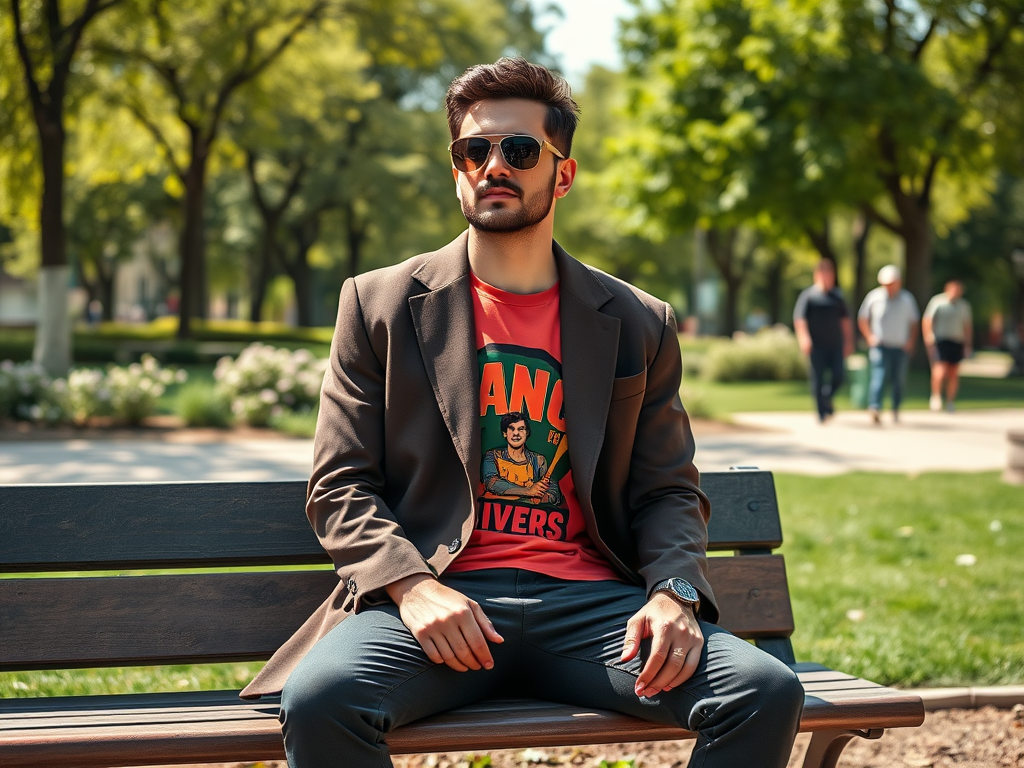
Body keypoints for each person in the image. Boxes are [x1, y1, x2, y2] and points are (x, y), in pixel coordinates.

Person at [242, 58, 803, 768]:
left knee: (763, 690)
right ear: (455, 170)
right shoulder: (378, 305)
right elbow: (340, 483)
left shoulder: (635, 321)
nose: (491, 166)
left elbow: (667, 487)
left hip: (594, 614)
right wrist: (411, 587)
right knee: (322, 699)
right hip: (441, 605)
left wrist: (674, 593)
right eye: (473, 151)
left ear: (561, 175)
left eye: (519, 150)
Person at [858, 265, 920, 424]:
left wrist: (910, 342)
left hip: (900, 346)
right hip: (880, 344)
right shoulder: (874, 297)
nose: (888, 287)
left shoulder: (907, 299)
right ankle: (875, 407)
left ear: (898, 282)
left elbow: (914, 322)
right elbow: (863, 318)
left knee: (898, 380)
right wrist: (869, 336)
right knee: (878, 377)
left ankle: (895, 408)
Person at [793, 260, 853, 422]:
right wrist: (804, 339)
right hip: (816, 346)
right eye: (824, 274)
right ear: (817, 275)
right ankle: (821, 413)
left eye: (830, 275)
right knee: (817, 379)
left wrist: (848, 342)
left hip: (835, 345)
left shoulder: (837, 297)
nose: (827, 278)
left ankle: (827, 398)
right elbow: (800, 320)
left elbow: (845, 321)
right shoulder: (808, 296)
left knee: (839, 376)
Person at [923, 280, 972, 413]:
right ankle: (936, 396)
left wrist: (968, 344)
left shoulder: (963, 306)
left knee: (953, 372)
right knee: (940, 370)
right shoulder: (938, 302)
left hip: (957, 341)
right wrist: (928, 335)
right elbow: (927, 319)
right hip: (941, 340)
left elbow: (967, 326)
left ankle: (950, 401)